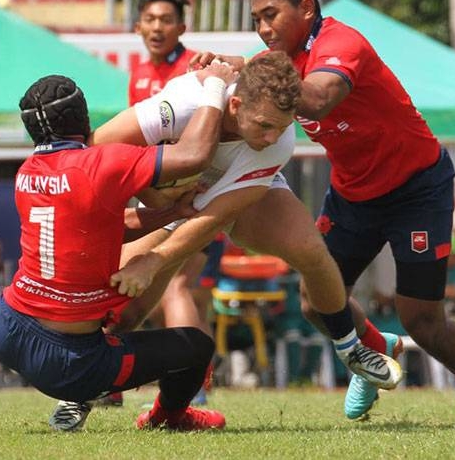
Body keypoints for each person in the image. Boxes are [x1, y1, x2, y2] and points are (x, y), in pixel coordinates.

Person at [195, 0, 455, 426]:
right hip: (353, 195)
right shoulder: (276, 61)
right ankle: (374, 352)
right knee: (317, 302)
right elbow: (255, 93)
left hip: (417, 189)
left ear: (308, 8)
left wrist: (251, 71)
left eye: (270, 14)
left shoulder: (341, 42)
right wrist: (231, 73)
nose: (262, 28)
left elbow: (318, 97)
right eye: (255, 20)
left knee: (422, 320)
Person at [0, 66, 236, 435]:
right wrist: (216, 83)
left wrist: (169, 213)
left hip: (12, 333)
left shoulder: (28, 172)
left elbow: (99, 229)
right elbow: (195, 154)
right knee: (196, 346)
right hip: (78, 365)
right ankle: (168, 417)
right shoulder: (105, 161)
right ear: (84, 118)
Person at [48, 51, 403, 432]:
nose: (271, 138)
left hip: (233, 196)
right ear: (233, 104)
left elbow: (217, 215)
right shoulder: (183, 101)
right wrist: (152, 196)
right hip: (174, 199)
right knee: (125, 309)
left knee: (311, 249)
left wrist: (155, 259)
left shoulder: (278, 139)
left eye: (280, 127)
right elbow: (98, 147)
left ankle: (351, 349)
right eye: (264, 125)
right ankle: (79, 394)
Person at [119, 0, 220, 408]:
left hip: (197, 192)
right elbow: (139, 146)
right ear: (139, 25)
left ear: (182, 26)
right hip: (156, 197)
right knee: (139, 290)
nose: (157, 27)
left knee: (175, 282)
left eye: (166, 20)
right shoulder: (139, 73)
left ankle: (191, 390)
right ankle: (111, 378)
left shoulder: (195, 68)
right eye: (150, 19)